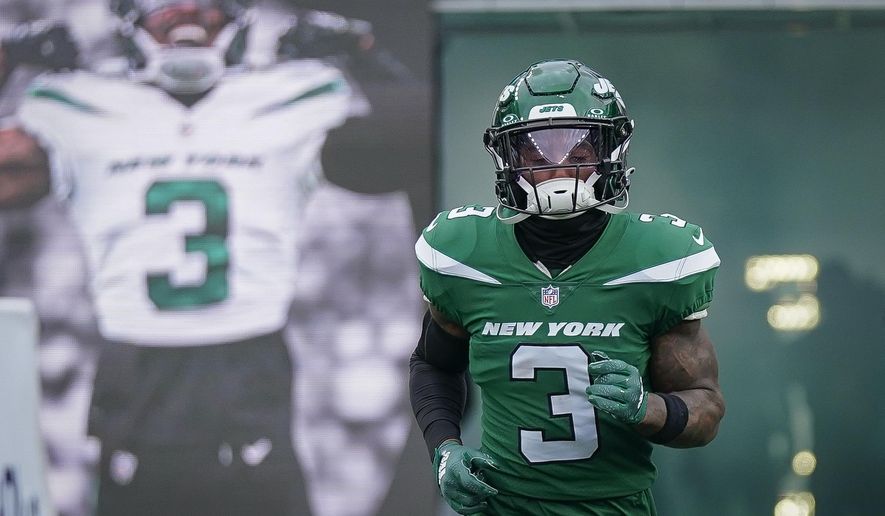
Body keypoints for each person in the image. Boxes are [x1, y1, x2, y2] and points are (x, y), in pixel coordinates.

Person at [0, 1, 380, 514]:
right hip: (136, 369)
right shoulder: (76, 104)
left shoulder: (293, 92)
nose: (187, 8)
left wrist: (365, 54)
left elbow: (412, 141)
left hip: (248, 365)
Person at [409, 59, 726, 515]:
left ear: (613, 149)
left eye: (579, 148)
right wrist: (444, 448)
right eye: (535, 151)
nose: (557, 166)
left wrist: (648, 407)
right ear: (507, 158)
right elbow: (433, 365)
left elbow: (706, 408)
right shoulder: (462, 255)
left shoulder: (662, 261)